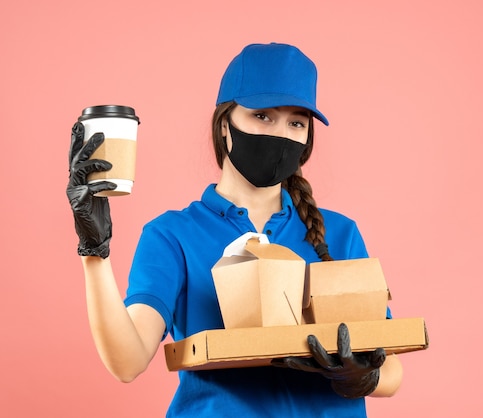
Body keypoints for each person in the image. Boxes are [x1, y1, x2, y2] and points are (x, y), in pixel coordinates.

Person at [67, 42, 403, 417]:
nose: (281, 133)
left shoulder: (339, 234)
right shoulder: (173, 235)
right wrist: (93, 250)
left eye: (297, 122)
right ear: (225, 124)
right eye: (262, 116)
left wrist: (362, 378)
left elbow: (391, 368)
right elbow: (127, 361)